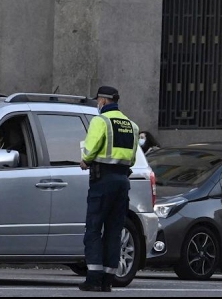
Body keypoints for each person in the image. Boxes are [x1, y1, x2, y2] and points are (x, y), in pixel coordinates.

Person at [79, 86, 139, 292]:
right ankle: (107, 280)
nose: (98, 104)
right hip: (123, 180)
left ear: (103, 101)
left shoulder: (101, 121)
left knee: (94, 228)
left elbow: (89, 150)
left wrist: (85, 160)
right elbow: (131, 158)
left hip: (102, 179)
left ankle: (93, 278)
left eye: (98, 101)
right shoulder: (132, 125)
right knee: (115, 230)